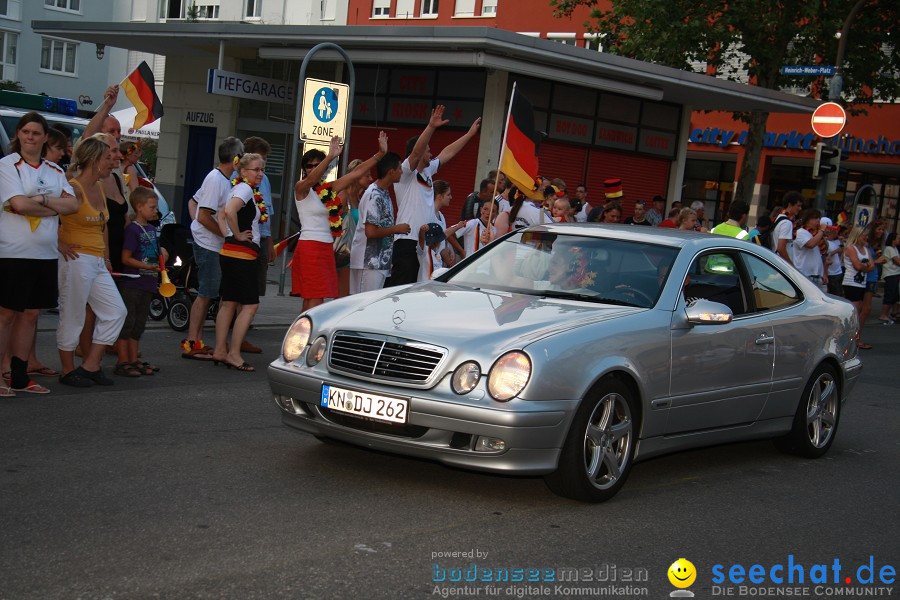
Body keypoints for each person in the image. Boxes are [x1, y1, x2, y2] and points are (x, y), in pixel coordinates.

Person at [0, 112, 78, 396]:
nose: (30, 137)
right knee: (6, 315)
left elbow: (73, 206)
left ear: (46, 137)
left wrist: (42, 200)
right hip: (12, 253)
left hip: (44, 254)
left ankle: (20, 377)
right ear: (18, 135)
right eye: (26, 132)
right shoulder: (7, 166)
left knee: (31, 315)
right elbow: (19, 205)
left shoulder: (55, 172)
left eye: (36, 133)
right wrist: (53, 206)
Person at [57, 136, 127, 387]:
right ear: (93, 161)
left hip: (96, 260)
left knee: (116, 311)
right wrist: (59, 243)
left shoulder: (98, 187)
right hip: (76, 258)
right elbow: (47, 216)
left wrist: (106, 257)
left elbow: (103, 225)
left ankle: (90, 365)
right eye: (107, 158)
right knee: (73, 315)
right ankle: (67, 370)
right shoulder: (72, 187)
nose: (113, 162)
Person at [293, 132, 388, 311]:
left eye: (317, 164)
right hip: (310, 246)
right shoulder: (301, 188)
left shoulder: (327, 190)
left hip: (326, 247)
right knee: (314, 300)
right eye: (309, 165)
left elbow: (356, 174)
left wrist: (380, 154)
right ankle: (308, 335)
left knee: (313, 298)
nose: (313, 168)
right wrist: (329, 156)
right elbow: (312, 179)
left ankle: (302, 336)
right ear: (304, 169)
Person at [390, 105, 481, 287]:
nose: (431, 154)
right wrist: (431, 126)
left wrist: (470, 134)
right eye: (428, 150)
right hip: (407, 242)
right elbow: (416, 153)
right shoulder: (406, 172)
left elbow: (447, 153)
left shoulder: (428, 171)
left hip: (426, 245)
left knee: (418, 292)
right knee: (400, 291)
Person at [183, 136, 243, 359]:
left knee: (209, 292)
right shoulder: (216, 179)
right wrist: (226, 235)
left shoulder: (223, 179)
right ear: (236, 159)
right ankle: (192, 343)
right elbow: (203, 215)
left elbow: (193, 202)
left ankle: (197, 340)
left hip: (212, 243)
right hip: (208, 244)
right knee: (206, 293)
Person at [208, 153, 267, 372]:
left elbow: (222, 214)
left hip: (230, 252)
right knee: (250, 304)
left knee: (229, 302)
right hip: (242, 254)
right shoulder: (244, 189)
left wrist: (228, 236)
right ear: (243, 172)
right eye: (255, 170)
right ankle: (233, 353)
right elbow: (228, 211)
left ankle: (220, 350)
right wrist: (238, 235)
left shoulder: (236, 189)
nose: (260, 173)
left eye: (262, 169)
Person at [115, 187, 167, 377]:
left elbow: (154, 254)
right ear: (139, 207)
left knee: (139, 325)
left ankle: (133, 359)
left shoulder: (152, 229)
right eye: (152, 207)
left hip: (148, 283)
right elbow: (126, 258)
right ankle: (123, 361)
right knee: (128, 323)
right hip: (133, 283)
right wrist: (148, 268)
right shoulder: (133, 230)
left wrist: (161, 262)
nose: (155, 211)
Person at [349, 152, 411, 294]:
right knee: (362, 306)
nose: (402, 172)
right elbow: (370, 232)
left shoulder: (383, 192)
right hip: (368, 262)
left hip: (378, 263)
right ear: (391, 172)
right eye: (399, 168)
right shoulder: (374, 194)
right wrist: (396, 229)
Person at [242, 136, 275, 298]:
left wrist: (270, 242)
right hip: (246, 238)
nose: (262, 163)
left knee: (258, 284)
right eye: (260, 158)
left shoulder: (265, 179)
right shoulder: (239, 181)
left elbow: (268, 212)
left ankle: (248, 319)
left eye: (265, 159)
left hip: (261, 238)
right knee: (243, 284)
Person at [334, 158, 372, 297]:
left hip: (356, 253)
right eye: (367, 175)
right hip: (344, 251)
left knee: (351, 295)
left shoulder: (359, 197)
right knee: (343, 296)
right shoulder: (344, 196)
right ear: (356, 176)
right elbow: (331, 222)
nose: (371, 178)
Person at [842, 226, 880, 350]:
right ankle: (847, 339)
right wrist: (866, 265)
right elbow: (857, 265)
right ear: (858, 235)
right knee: (854, 311)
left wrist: (865, 265)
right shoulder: (850, 248)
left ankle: (854, 339)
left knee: (859, 311)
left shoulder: (865, 249)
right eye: (864, 235)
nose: (866, 237)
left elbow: (872, 266)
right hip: (851, 282)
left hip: (861, 283)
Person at [792, 208, 827, 291]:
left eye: (819, 218)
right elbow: (810, 244)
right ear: (807, 219)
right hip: (806, 275)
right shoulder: (801, 232)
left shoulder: (815, 234)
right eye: (815, 218)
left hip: (818, 275)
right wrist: (821, 231)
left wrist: (824, 273)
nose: (818, 220)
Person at [432, 180, 465, 267]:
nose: (451, 197)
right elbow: (438, 236)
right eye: (448, 194)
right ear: (440, 196)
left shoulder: (441, 216)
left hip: (437, 263)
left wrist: (448, 248)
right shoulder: (428, 214)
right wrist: (457, 227)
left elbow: (442, 239)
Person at [771, 191, 803, 265]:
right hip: (782, 264)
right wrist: (791, 265)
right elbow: (781, 248)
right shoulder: (787, 223)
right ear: (790, 205)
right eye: (798, 206)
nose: (800, 208)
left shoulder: (779, 217)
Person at [878, 232, 900, 323]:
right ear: (893, 240)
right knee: (889, 294)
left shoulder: (895, 249)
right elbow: (897, 261)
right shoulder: (890, 249)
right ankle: (883, 314)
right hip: (890, 274)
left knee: (895, 295)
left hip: (895, 273)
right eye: (898, 238)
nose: (899, 240)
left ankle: (892, 313)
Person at [823, 217, 845, 296]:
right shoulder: (825, 242)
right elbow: (825, 256)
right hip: (831, 274)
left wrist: (841, 242)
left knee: (840, 294)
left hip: (838, 272)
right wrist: (835, 251)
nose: (837, 232)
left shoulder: (836, 241)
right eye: (835, 230)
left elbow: (842, 250)